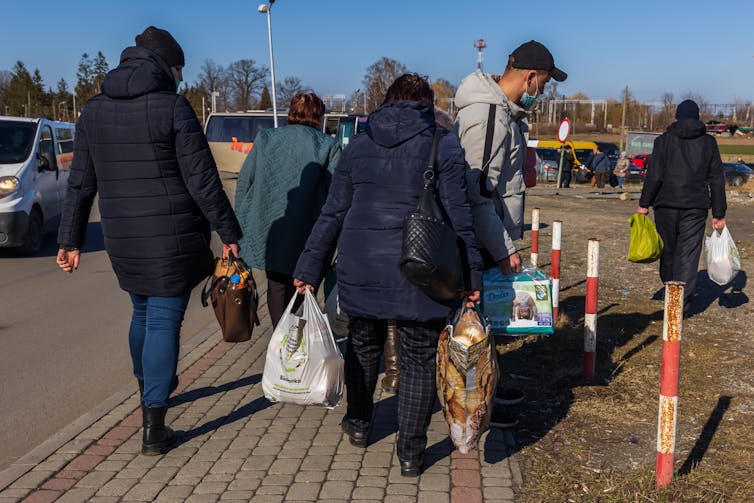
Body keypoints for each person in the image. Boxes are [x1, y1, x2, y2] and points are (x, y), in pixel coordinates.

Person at [56, 26, 242, 456]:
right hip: (170, 237)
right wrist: (229, 234)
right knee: (161, 320)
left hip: (121, 236)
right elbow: (204, 182)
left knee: (141, 311)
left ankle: (150, 389)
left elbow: (80, 185)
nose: (181, 78)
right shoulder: (173, 109)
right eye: (180, 69)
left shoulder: (93, 111)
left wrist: (71, 240)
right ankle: (154, 424)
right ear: (166, 66)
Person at [293, 74, 483, 477]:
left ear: (387, 101)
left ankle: (360, 425)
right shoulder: (442, 144)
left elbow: (333, 213)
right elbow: (460, 219)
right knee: (416, 360)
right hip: (423, 269)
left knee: (362, 347)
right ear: (426, 104)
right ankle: (411, 452)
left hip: (360, 265)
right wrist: (472, 280)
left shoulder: (359, 144)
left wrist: (308, 269)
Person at [454, 40, 566, 425]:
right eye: (545, 83)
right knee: (476, 324)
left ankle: (489, 391)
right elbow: (477, 190)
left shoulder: (505, 115)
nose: (544, 91)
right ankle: (477, 405)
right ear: (530, 77)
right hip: (485, 239)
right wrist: (503, 249)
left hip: (492, 233)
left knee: (487, 321)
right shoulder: (489, 117)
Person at [234, 92, 340, 328]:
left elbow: (244, 182)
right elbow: (338, 192)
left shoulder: (266, 138)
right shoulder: (327, 145)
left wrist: (238, 227)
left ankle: (279, 336)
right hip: (309, 229)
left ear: (291, 113)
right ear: (319, 116)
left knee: (277, 285)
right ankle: (290, 332)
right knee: (305, 283)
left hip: (271, 225)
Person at [637, 99, 727, 314]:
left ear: (677, 116)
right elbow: (716, 178)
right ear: (697, 117)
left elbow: (655, 175)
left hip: (665, 204)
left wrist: (644, 203)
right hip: (696, 206)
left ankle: (671, 292)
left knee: (668, 251)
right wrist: (719, 212)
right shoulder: (708, 143)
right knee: (688, 254)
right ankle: (679, 303)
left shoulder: (663, 141)